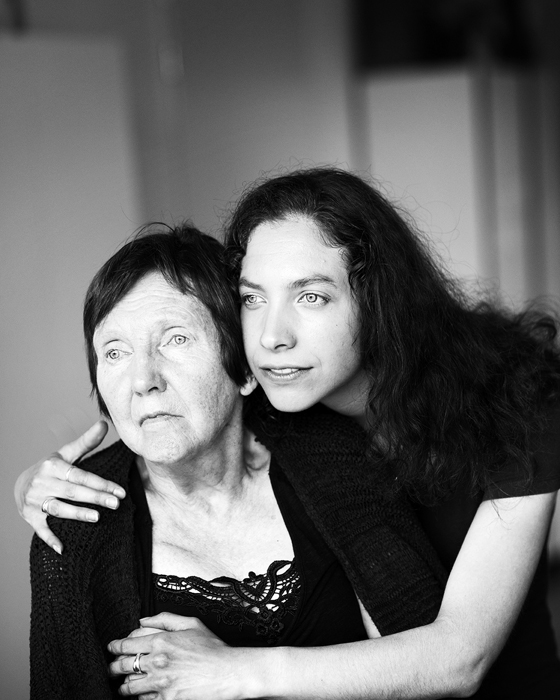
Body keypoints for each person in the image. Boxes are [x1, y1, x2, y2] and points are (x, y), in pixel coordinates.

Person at [18, 167, 560, 698]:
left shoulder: (517, 403)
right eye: (253, 299)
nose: (272, 337)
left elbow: (460, 659)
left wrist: (235, 672)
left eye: (310, 296)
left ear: (378, 299)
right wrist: (32, 483)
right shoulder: (283, 403)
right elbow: (185, 416)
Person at [27, 222, 445, 700]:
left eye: (176, 339)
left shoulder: (336, 456)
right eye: (115, 352)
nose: (143, 380)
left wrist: (232, 671)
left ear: (244, 368)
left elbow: (428, 671)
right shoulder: (74, 524)